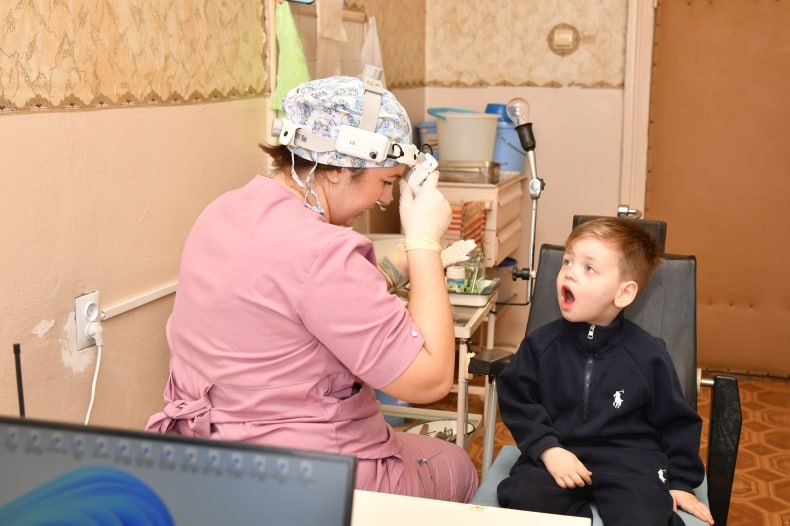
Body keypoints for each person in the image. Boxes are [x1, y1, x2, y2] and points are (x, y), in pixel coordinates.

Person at [145, 72, 478, 502]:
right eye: (386, 182)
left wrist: (393, 268)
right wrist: (424, 243)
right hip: (304, 478)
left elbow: (296, 306)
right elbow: (430, 381)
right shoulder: (323, 253)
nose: (385, 200)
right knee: (457, 465)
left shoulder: (224, 211)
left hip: (206, 456)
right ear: (337, 169)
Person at [496, 218, 714, 525]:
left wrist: (679, 481)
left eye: (589, 268)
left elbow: (677, 422)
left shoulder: (649, 354)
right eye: (568, 261)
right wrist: (547, 449)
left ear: (623, 294)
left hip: (632, 460)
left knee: (647, 514)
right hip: (560, 451)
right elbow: (518, 401)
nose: (569, 272)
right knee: (524, 496)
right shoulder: (540, 345)